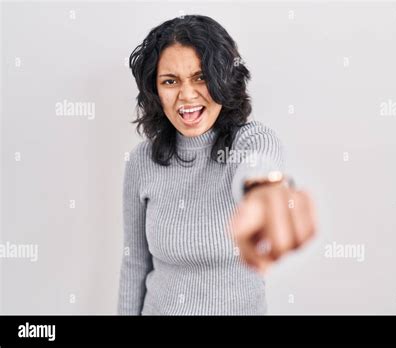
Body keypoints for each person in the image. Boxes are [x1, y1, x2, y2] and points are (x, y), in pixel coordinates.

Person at [117, 14, 317, 315]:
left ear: (223, 78)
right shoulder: (141, 161)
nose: (186, 95)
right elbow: (134, 263)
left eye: (200, 77)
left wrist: (264, 188)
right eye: (170, 81)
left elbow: (258, 166)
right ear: (155, 91)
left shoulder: (250, 141)